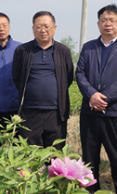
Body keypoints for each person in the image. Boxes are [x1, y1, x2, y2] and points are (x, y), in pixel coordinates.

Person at [76, 4, 117, 194]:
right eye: (104, 20)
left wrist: (104, 98)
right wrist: (92, 95)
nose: (108, 23)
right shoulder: (88, 47)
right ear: (98, 23)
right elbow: (80, 74)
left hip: (115, 112)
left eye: (112, 20)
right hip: (90, 113)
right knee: (89, 158)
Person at [12, 11, 74, 148]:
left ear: (54, 28)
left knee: (55, 154)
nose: (43, 30)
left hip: (56, 112)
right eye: (38, 26)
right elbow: (17, 77)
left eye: (47, 26)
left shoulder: (63, 51)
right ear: (33, 29)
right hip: (29, 112)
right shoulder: (22, 50)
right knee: (28, 154)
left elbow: (68, 77)